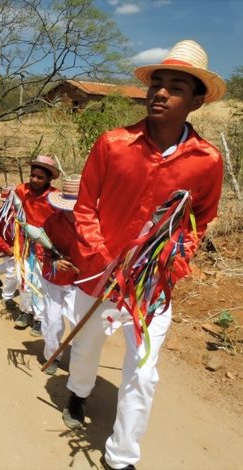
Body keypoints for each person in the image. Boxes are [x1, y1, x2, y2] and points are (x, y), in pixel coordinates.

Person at [61, 40, 225, 470]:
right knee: (86, 347)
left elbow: (199, 221)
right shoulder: (113, 144)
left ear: (195, 100)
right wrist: (101, 259)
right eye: (157, 83)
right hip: (99, 275)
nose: (160, 93)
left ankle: (121, 457)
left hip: (152, 287)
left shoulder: (207, 160)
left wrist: (168, 261)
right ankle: (77, 393)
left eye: (175, 87)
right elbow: (85, 207)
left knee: (143, 372)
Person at [12, 155, 60, 337]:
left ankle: (40, 318)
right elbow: (16, 214)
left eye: (40, 177)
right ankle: (25, 311)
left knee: (40, 282)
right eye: (32, 175)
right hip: (23, 244)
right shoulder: (21, 191)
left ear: (49, 179)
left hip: (44, 247)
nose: (34, 180)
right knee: (23, 278)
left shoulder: (55, 198)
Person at [39, 175, 81, 374]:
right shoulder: (51, 223)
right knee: (53, 320)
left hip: (81, 282)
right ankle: (52, 355)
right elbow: (44, 250)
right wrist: (54, 261)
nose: (71, 212)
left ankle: (81, 364)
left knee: (80, 324)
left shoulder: (93, 223)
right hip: (54, 279)